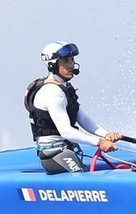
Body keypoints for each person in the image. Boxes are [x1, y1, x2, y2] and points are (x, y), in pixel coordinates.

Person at [24, 42, 124, 173]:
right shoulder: (53, 93)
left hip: (66, 149)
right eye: (66, 61)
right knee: (83, 177)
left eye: (72, 59)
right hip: (54, 154)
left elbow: (82, 118)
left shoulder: (64, 88)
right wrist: (99, 142)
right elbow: (66, 132)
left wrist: (106, 134)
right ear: (52, 65)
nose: (72, 64)